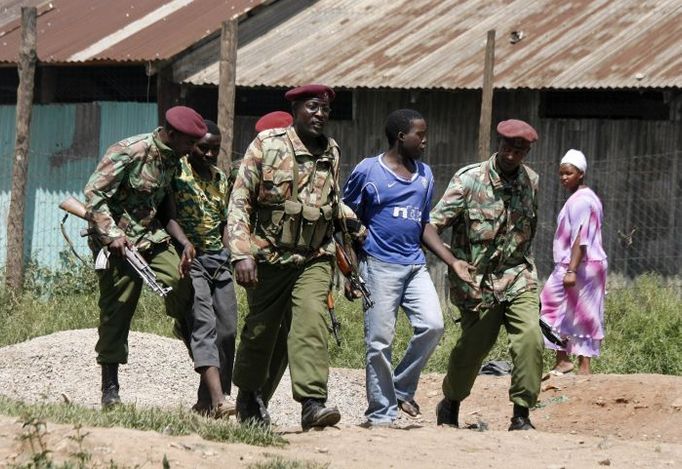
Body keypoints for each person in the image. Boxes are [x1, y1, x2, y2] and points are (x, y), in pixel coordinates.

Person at [227, 84, 362, 430]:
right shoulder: (267, 145)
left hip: (314, 256)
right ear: (296, 109)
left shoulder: (331, 150)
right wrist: (242, 253)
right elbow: (241, 201)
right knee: (261, 331)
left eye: (326, 109)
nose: (321, 115)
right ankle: (248, 397)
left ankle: (313, 404)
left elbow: (329, 206)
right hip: (269, 257)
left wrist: (352, 254)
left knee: (311, 318)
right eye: (313, 107)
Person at [342, 109, 471, 427]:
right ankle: (381, 413)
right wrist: (349, 269)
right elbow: (345, 218)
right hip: (378, 266)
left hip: (414, 266)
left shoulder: (425, 175)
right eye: (420, 135)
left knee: (433, 325)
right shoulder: (368, 171)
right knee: (379, 341)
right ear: (401, 136)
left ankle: (400, 387)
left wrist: (451, 261)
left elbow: (423, 223)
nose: (425, 141)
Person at [83, 106, 206, 408]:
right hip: (118, 243)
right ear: (172, 134)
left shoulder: (173, 160)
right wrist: (111, 235)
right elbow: (93, 195)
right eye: (189, 142)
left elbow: (165, 205)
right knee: (117, 310)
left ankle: (181, 322)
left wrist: (183, 241)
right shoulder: (130, 151)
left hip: (151, 238)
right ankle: (109, 388)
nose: (193, 149)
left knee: (181, 281)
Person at [429, 119, 544, 431]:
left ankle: (521, 414)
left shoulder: (530, 182)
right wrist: (452, 262)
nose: (511, 154)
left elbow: (526, 234)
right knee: (474, 349)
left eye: (519, 149)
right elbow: (430, 226)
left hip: (518, 276)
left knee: (531, 339)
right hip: (477, 284)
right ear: (499, 143)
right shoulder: (469, 180)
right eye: (507, 146)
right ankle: (450, 402)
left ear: (527, 151)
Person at [165, 119, 238, 418]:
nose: (209, 154)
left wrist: (230, 253)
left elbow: (223, 221)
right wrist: (184, 245)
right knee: (204, 327)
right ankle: (220, 401)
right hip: (190, 260)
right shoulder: (176, 174)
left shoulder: (221, 178)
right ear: (191, 146)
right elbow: (167, 215)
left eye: (215, 150)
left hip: (218, 261)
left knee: (228, 330)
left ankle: (204, 402)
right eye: (203, 148)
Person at [540, 149, 607, 376]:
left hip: (578, 265)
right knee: (579, 312)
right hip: (589, 265)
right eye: (561, 174)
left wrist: (571, 270)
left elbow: (581, 236)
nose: (563, 178)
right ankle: (572, 363)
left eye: (568, 173)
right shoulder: (588, 198)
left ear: (581, 173)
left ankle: (571, 362)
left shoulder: (581, 201)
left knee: (549, 306)